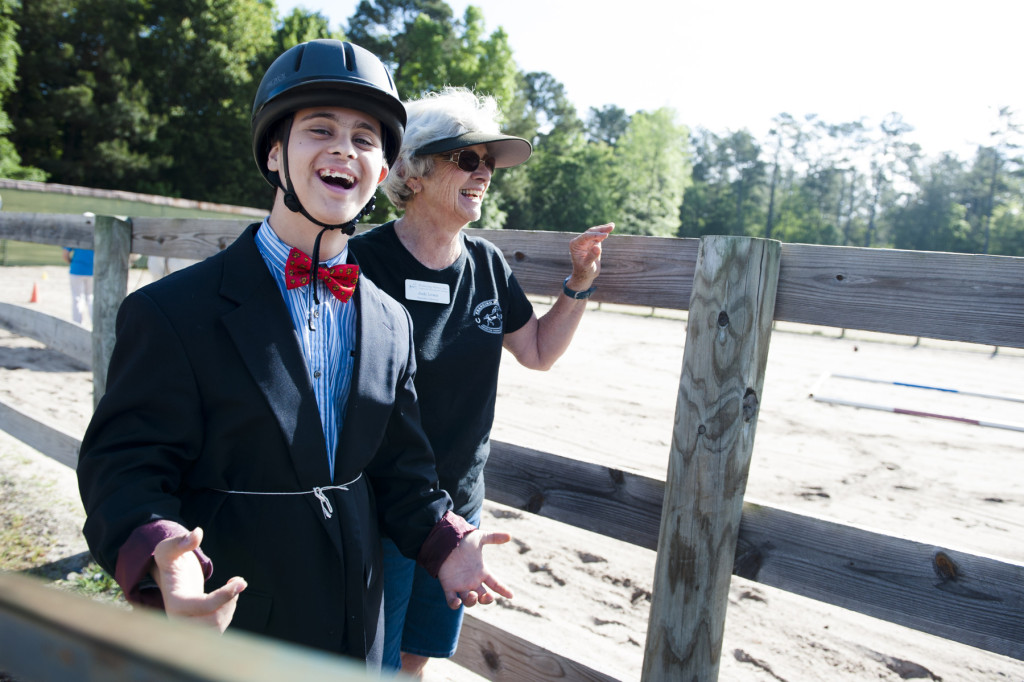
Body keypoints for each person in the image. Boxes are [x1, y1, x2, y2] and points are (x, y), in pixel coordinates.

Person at [76, 40, 512, 671]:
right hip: (231, 617)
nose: (344, 149)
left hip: (356, 621)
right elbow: (125, 466)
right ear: (276, 155)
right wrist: (163, 555)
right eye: (320, 130)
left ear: (383, 169)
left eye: (366, 138)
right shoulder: (172, 312)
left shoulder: (391, 322)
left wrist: (449, 542)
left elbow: (402, 471)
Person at [350, 86, 613, 676]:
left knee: (416, 657)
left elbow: (539, 352)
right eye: (467, 159)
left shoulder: (488, 265)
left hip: (461, 508)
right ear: (414, 172)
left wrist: (579, 283)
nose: (483, 173)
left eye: (489, 162)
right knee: (371, 663)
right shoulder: (361, 263)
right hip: (383, 506)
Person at [62, 246, 94, 326]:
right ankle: (95, 323)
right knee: (90, 297)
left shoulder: (76, 235)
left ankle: (77, 324)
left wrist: (72, 263)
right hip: (92, 270)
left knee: (77, 298)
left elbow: (65, 255)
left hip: (76, 269)